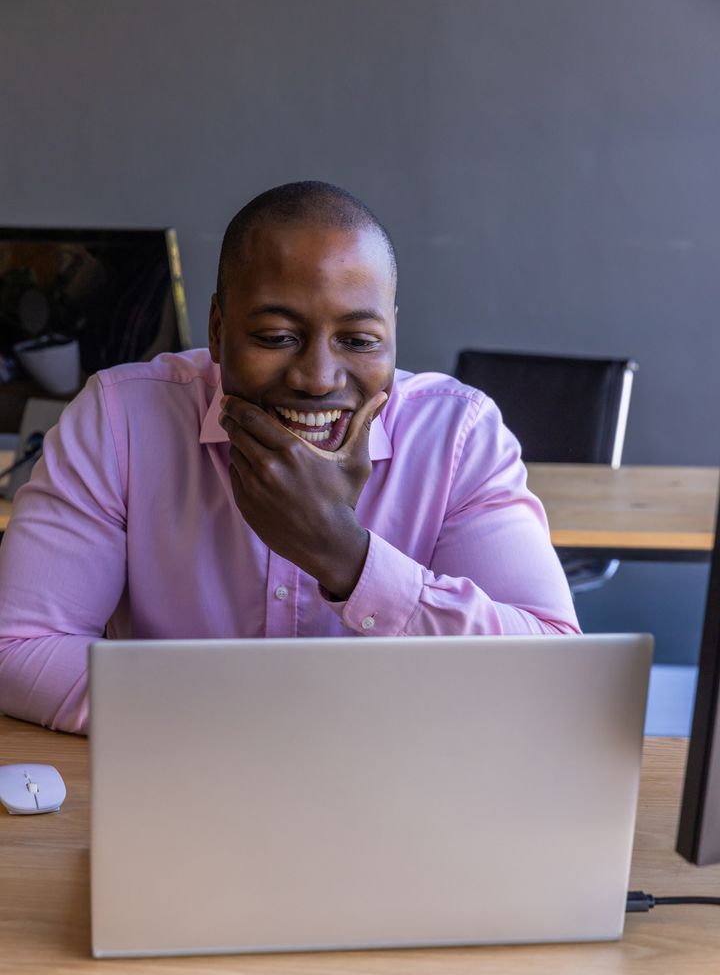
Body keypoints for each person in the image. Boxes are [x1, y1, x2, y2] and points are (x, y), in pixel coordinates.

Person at [0, 181, 579, 734]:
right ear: (218, 329)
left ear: (392, 332)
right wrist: (260, 721)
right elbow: (19, 649)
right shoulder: (120, 418)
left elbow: (555, 678)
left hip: (403, 795)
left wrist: (344, 555)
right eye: (277, 336)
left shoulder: (458, 435)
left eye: (358, 341)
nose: (316, 379)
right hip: (183, 781)